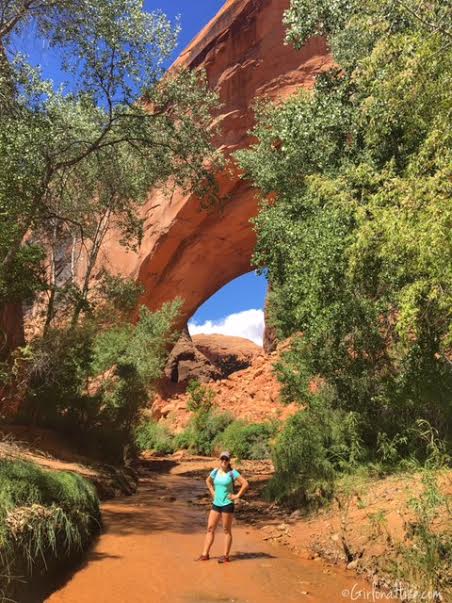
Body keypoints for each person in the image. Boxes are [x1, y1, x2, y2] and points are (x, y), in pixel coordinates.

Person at [196, 450, 249, 563]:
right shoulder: (215, 471)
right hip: (216, 504)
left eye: (226, 459)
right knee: (210, 528)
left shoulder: (232, 473)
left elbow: (245, 484)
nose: (224, 461)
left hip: (227, 505)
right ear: (219, 460)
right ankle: (205, 554)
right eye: (222, 459)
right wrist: (212, 492)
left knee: (226, 530)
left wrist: (237, 496)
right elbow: (208, 481)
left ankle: (225, 556)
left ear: (229, 461)